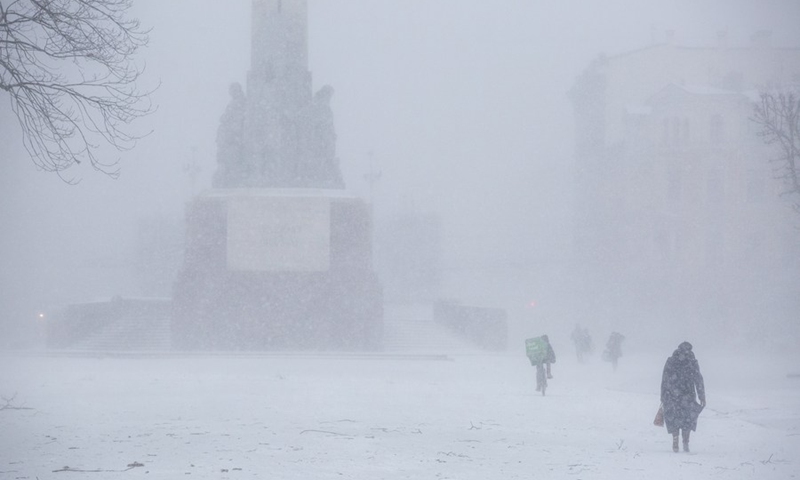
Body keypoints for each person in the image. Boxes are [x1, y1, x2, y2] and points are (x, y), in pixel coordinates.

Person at [660, 341, 706, 453]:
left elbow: (665, 379)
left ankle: (675, 440)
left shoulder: (671, 361)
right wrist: (701, 396)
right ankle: (686, 442)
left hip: (672, 394)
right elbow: (698, 379)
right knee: (688, 419)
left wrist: (663, 395)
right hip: (688, 395)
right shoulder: (692, 362)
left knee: (673, 417)